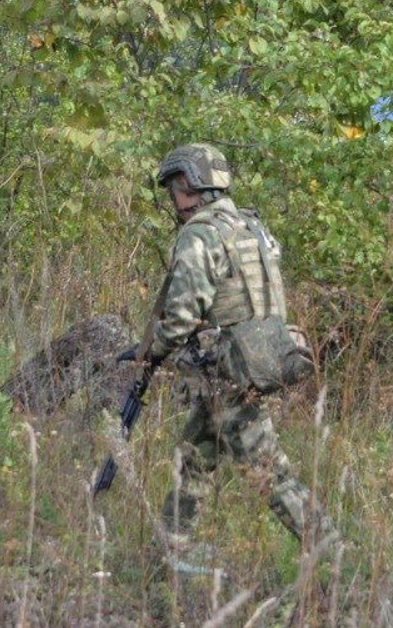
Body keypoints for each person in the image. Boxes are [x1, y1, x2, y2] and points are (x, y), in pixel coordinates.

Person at [134, 143, 319, 571]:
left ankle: (334, 556)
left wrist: (153, 352)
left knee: (271, 476)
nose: (173, 200)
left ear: (187, 184)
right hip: (266, 357)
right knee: (195, 457)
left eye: (173, 189)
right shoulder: (251, 226)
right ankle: (171, 550)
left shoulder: (201, 234)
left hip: (229, 370)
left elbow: (180, 319)